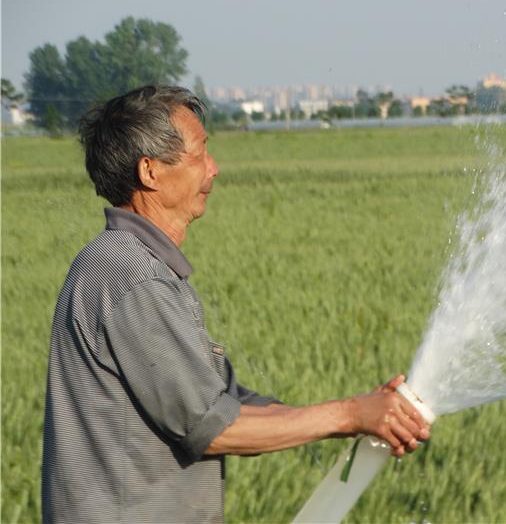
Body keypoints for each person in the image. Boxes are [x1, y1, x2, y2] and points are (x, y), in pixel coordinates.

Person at [42, 85, 430, 523]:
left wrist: (362, 413)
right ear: (150, 172)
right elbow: (211, 427)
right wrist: (349, 415)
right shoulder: (131, 273)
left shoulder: (130, 263)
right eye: (199, 154)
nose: (214, 168)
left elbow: (227, 405)